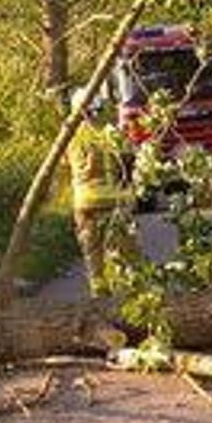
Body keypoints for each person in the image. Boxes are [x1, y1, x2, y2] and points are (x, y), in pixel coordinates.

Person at [67, 89, 136, 294]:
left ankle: (100, 301)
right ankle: (132, 301)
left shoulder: (69, 136)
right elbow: (128, 162)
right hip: (115, 201)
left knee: (93, 260)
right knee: (126, 256)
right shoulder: (110, 131)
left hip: (86, 203)